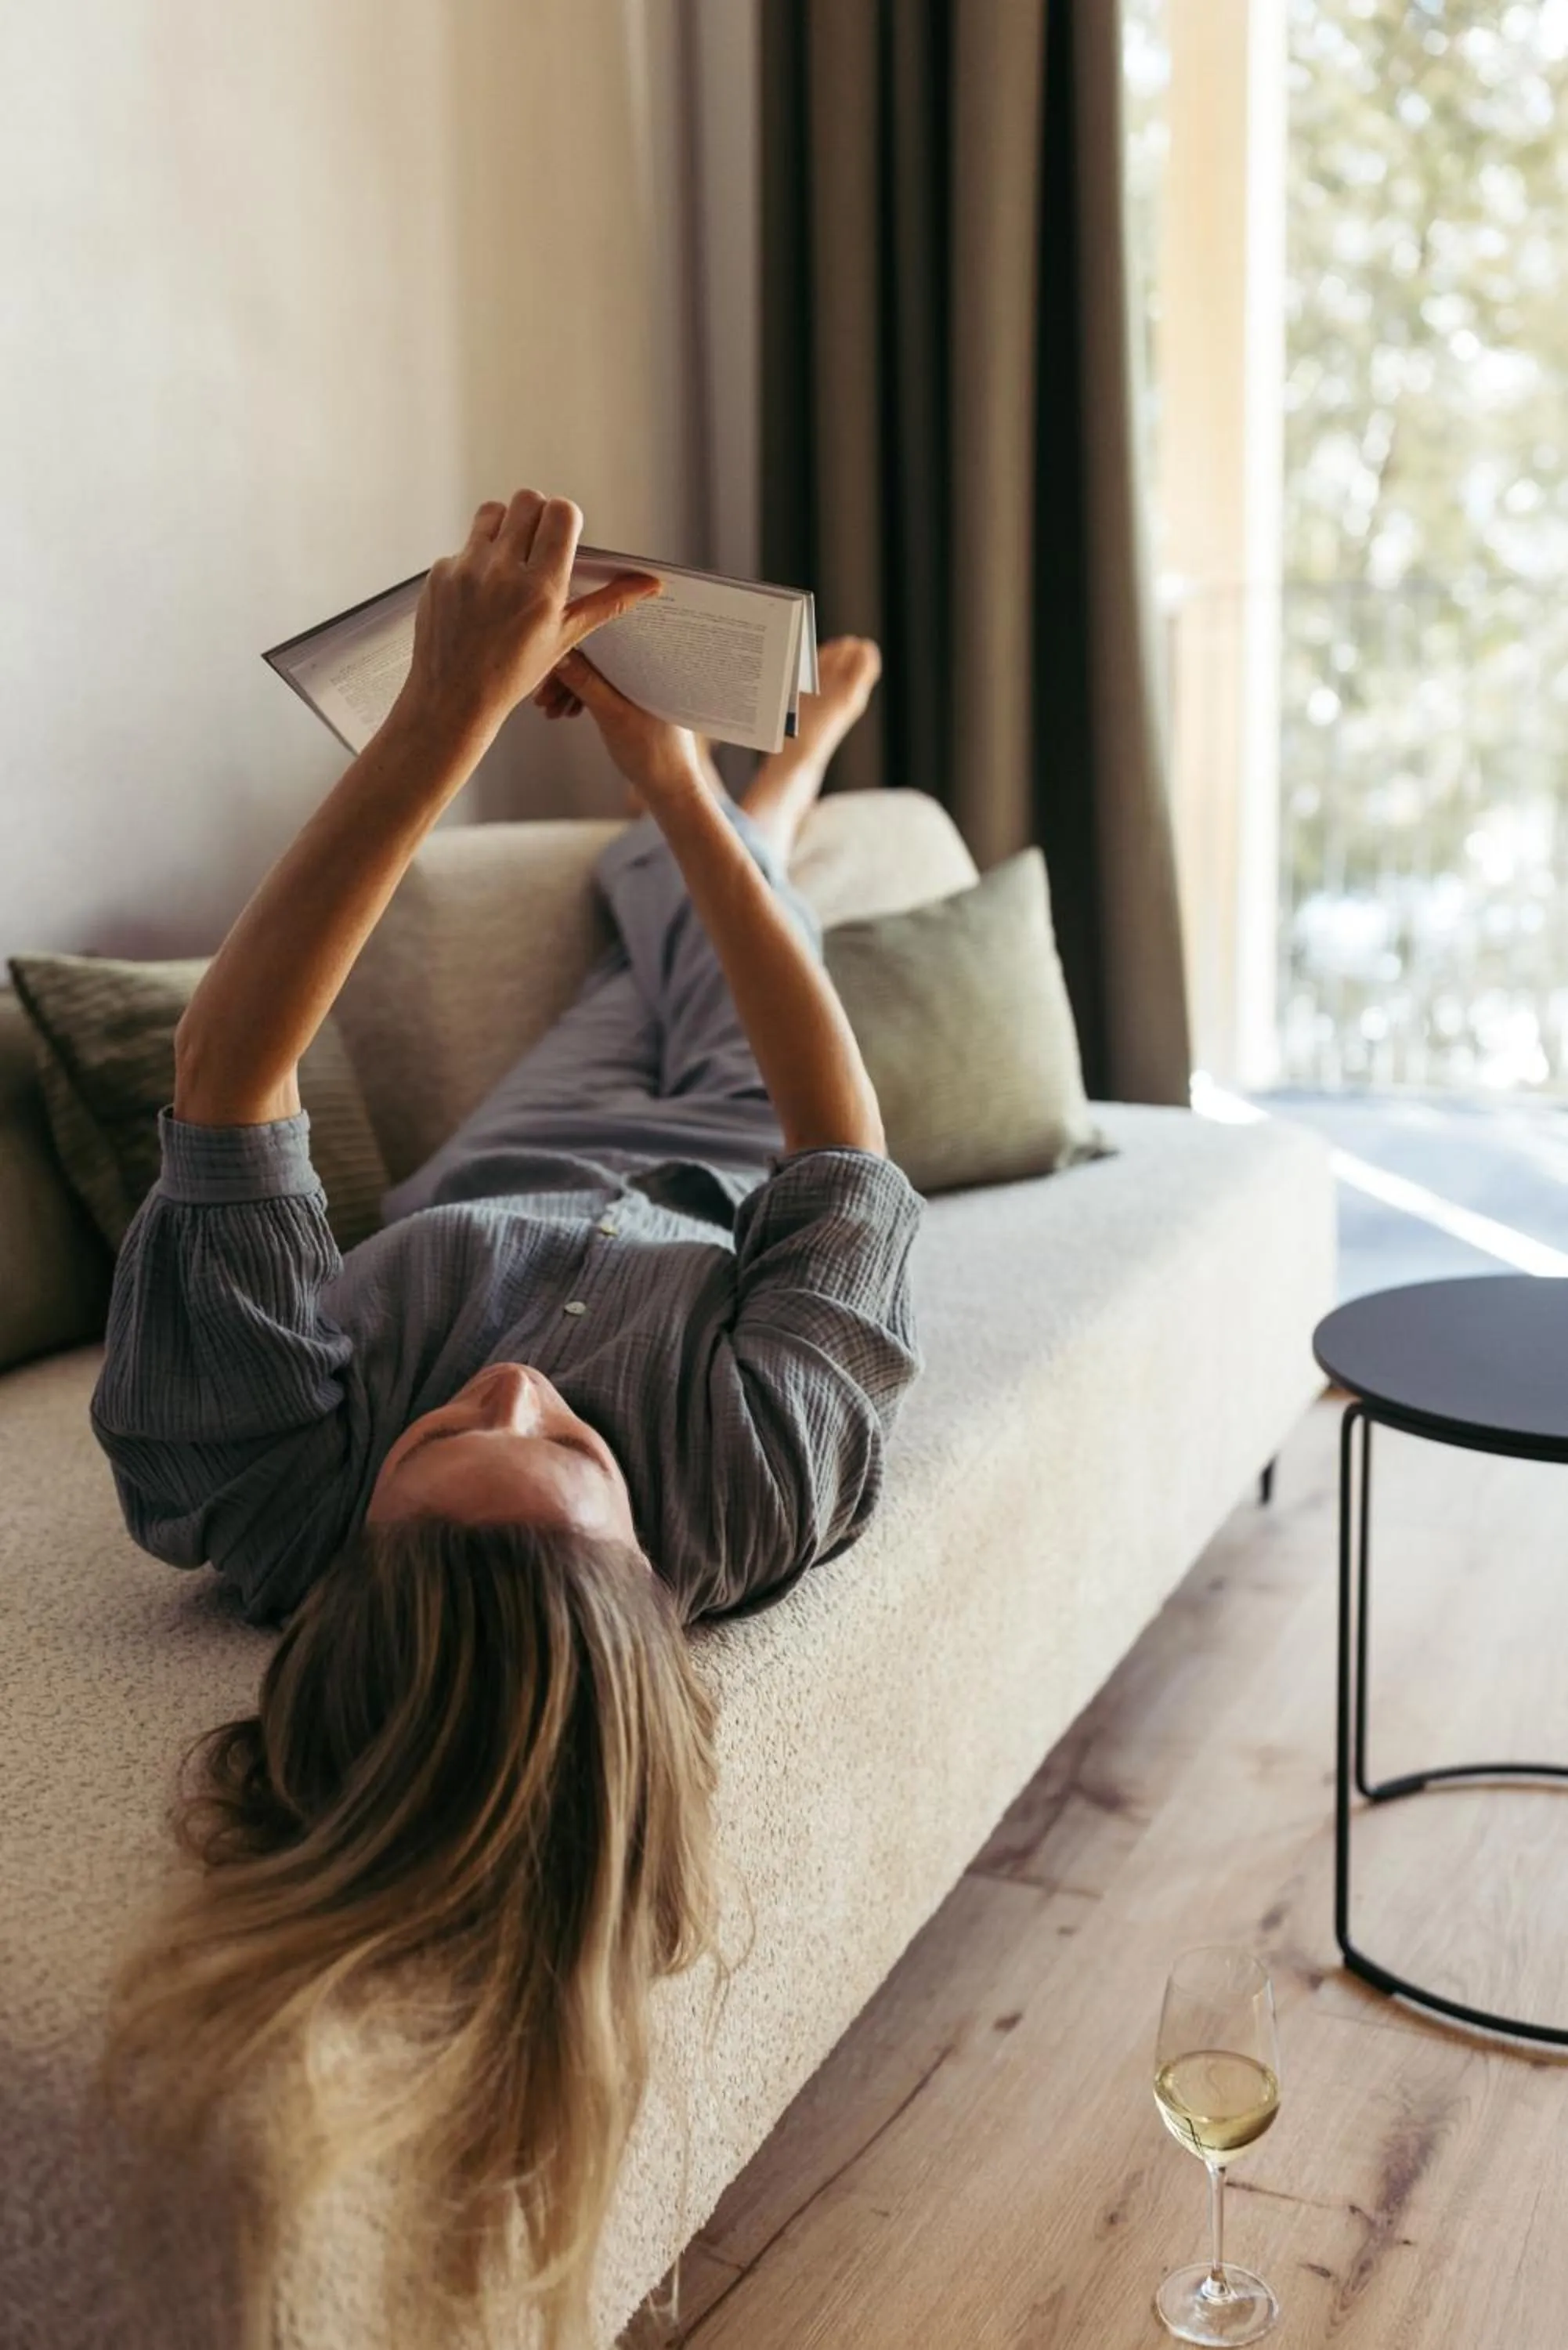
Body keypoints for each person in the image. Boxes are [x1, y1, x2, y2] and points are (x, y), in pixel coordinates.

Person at [90, 490, 922, 2350]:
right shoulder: (759, 1482)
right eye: (573, 1451)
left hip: (500, 1164)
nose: (519, 1387)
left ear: (348, 1550)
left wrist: (442, 721)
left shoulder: (246, 1489)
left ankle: (771, 808)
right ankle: (755, 813)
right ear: (658, 1578)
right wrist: (677, 792)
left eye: (442, 1433)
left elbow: (227, 1084)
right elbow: (840, 1151)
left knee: (642, 958)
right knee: (703, 960)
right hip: (724, 1172)